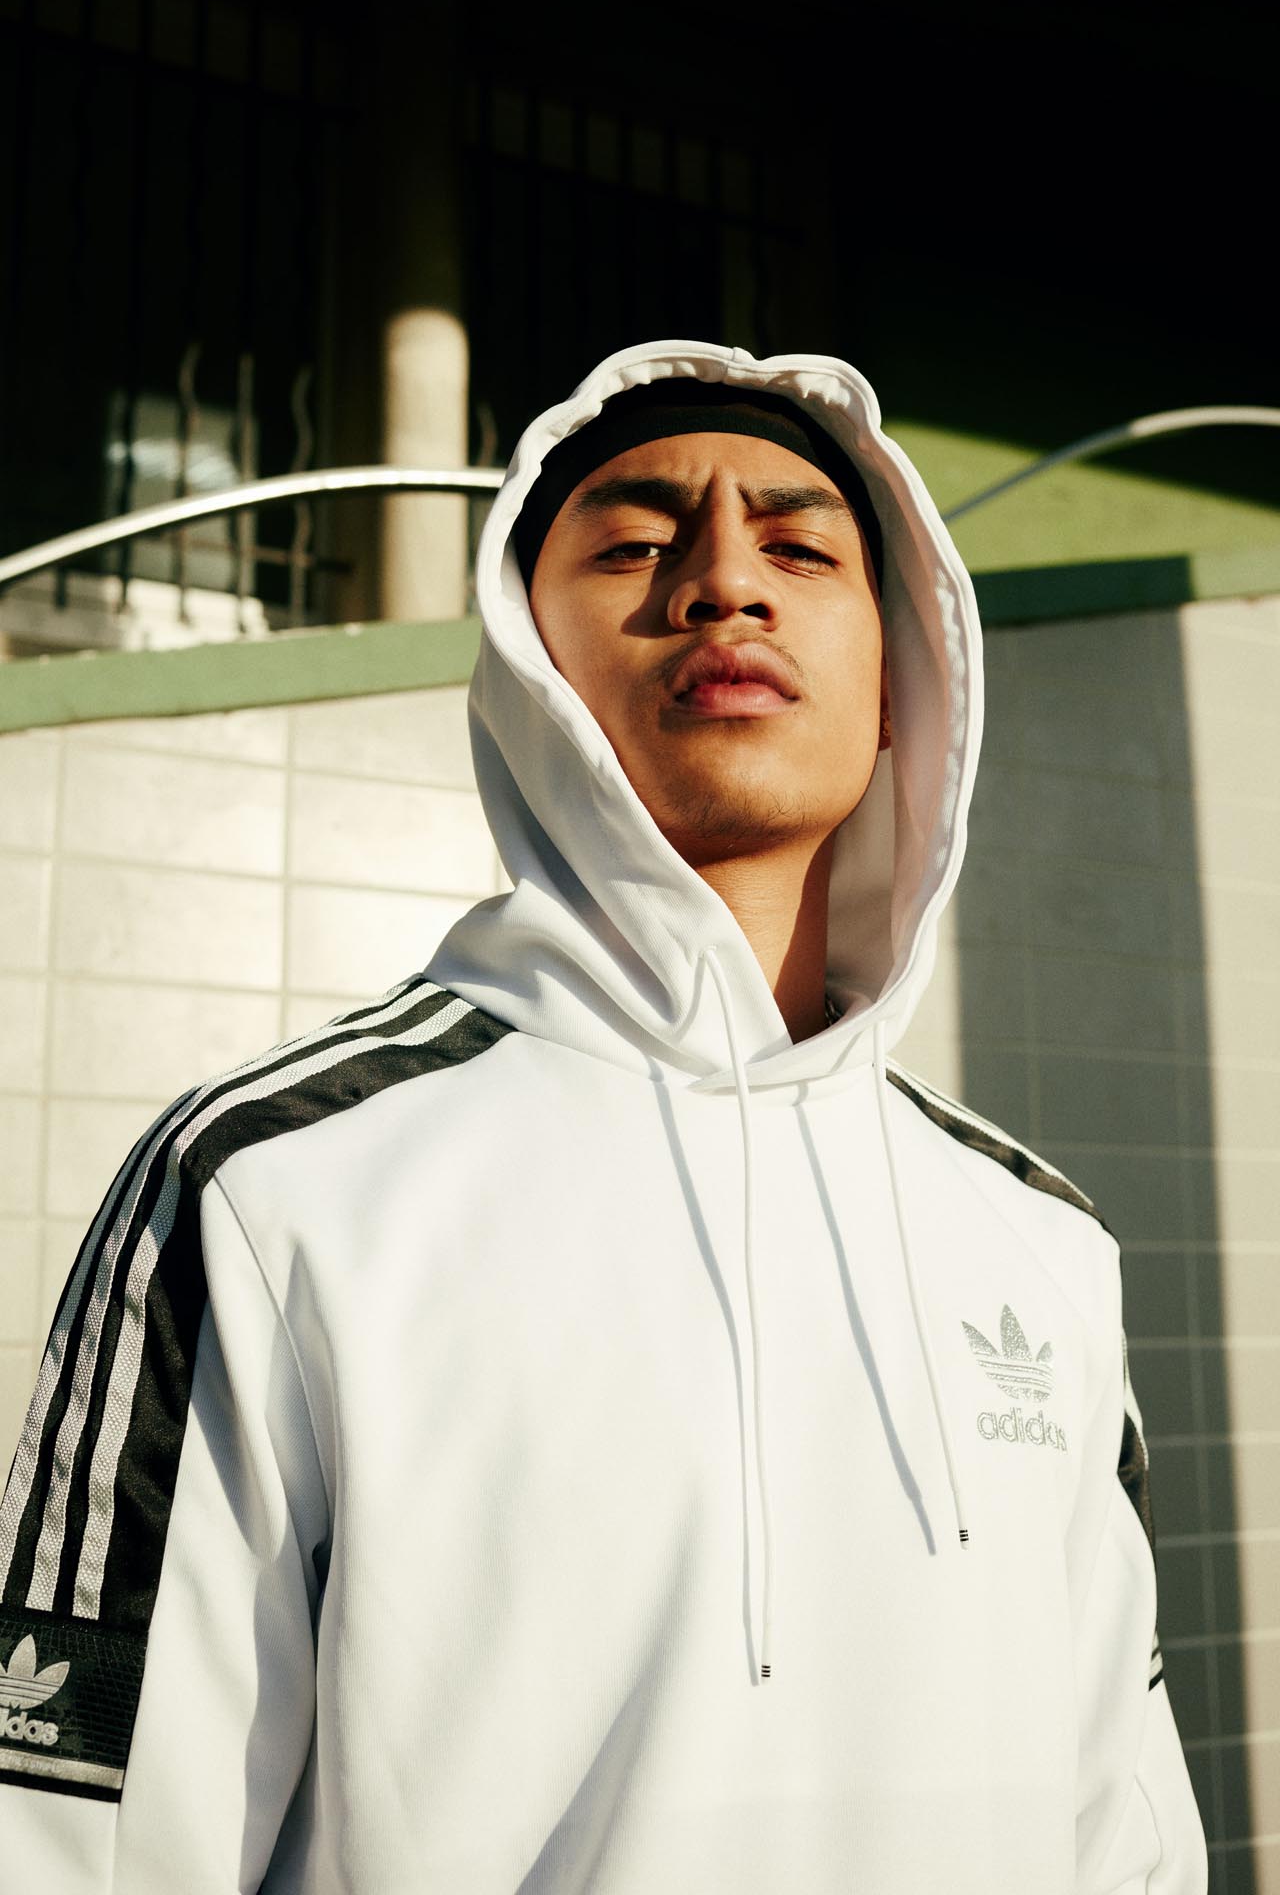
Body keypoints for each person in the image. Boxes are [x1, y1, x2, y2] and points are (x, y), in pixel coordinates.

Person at [0, 340, 1206, 1891]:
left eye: (801, 551)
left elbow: (1129, 1833)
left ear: (902, 687)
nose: (725, 585)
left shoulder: (1040, 1242)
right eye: (637, 547)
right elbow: (75, 1844)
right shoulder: (272, 1187)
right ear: (526, 667)